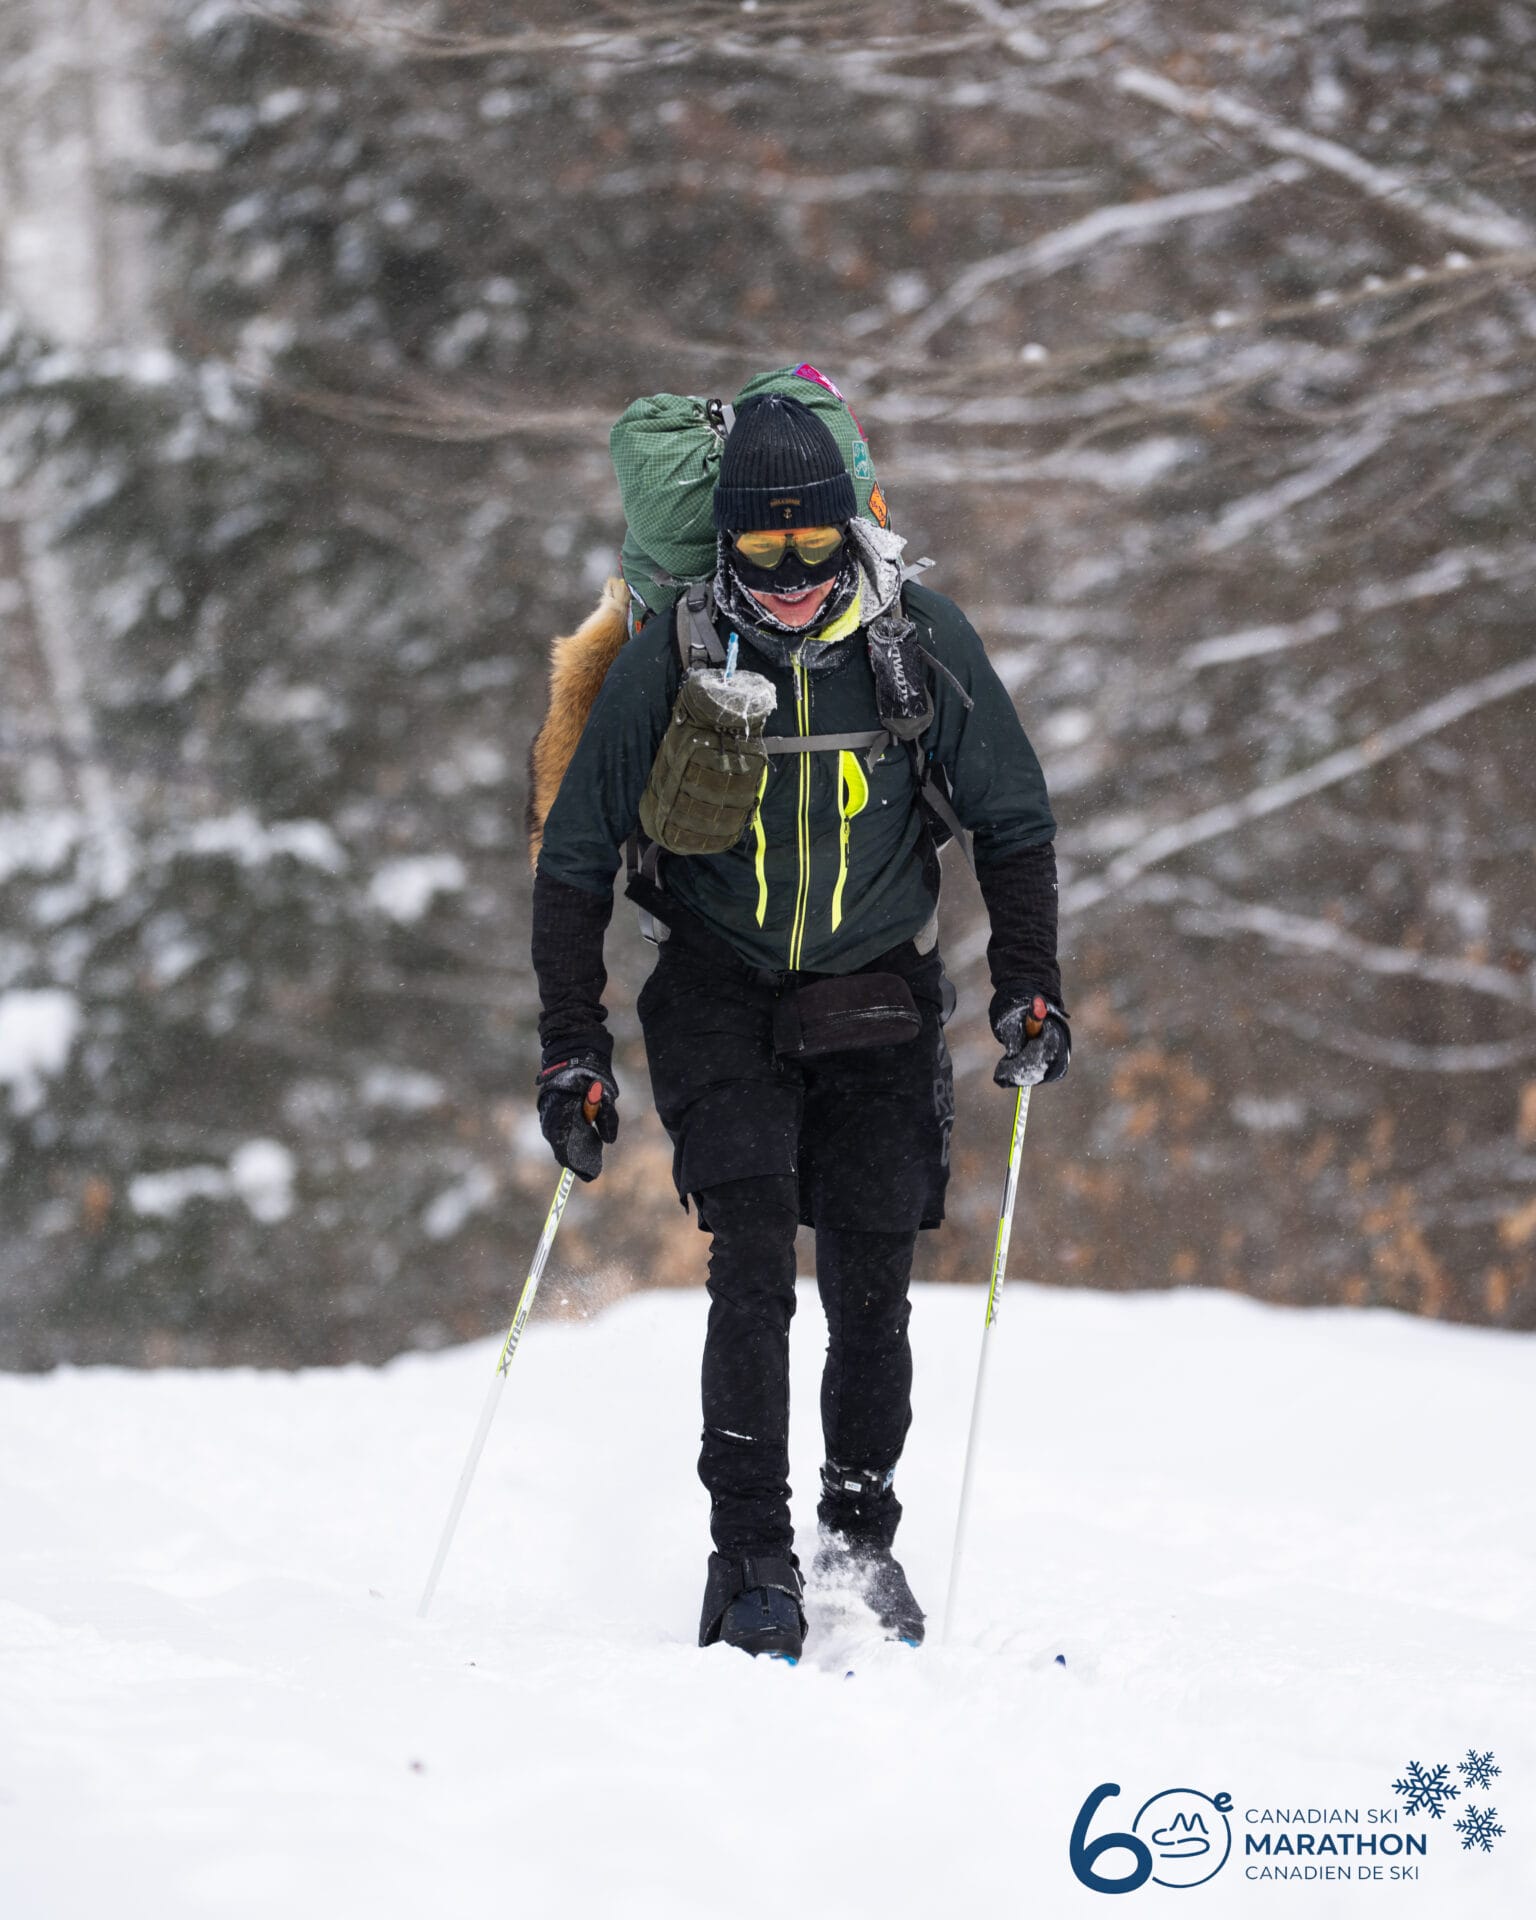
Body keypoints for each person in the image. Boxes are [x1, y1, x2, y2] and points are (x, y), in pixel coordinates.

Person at [530, 392, 1067, 1659]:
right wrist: (572, 1047)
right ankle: (751, 1558)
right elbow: (577, 858)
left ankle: (859, 1539)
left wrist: (1028, 984)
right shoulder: (677, 654)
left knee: (872, 1282)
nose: (787, 577)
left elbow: (1014, 818)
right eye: (760, 550)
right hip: (717, 988)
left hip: (876, 988)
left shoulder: (918, 641)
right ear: (724, 544)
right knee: (755, 1263)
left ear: (850, 533)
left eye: (811, 545)